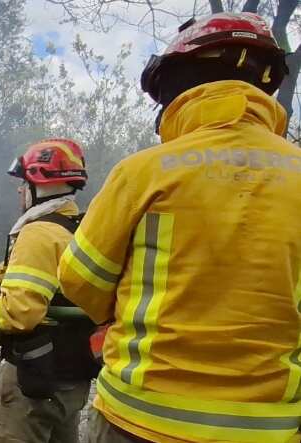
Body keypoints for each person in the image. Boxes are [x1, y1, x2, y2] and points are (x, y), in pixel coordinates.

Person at [57, 12, 301, 443]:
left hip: (138, 419)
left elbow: (80, 278)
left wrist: (120, 313)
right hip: (268, 429)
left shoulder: (145, 171)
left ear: (180, 82)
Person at [0, 138, 97, 443]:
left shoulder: (38, 233)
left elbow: (19, 312)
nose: (19, 190)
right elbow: (47, 283)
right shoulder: (77, 228)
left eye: (24, 182)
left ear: (41, 185)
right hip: (70, 380)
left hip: (32, 382)